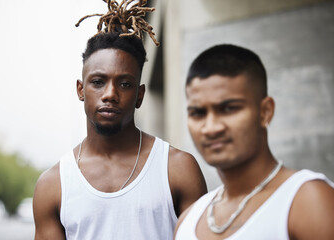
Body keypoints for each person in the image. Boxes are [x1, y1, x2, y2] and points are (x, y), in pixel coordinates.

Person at [33, 1, 207, 239]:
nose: (110, 94)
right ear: (80, 90)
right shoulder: (53, 184)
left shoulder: (177, 169)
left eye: (124, 84)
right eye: (97, 82)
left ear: (140, 95)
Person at [174, 44, 334, 239]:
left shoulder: (305, 200)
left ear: (265, 111)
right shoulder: (188, 221)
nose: (211, 127)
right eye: (198, 113)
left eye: (229, 108)